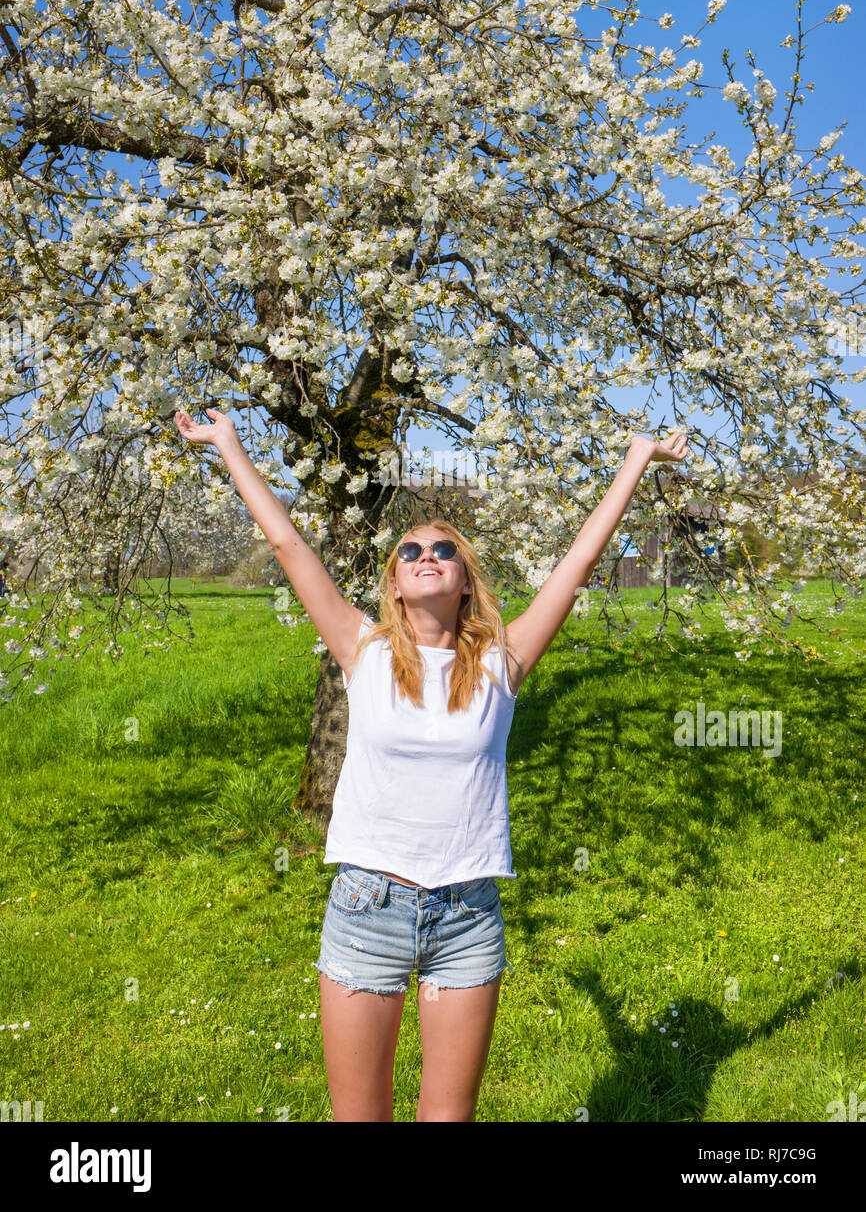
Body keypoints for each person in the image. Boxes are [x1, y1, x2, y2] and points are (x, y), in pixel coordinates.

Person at [174, 406, 688, 1121]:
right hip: (367, 908)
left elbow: (576, 568)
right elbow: (289, 544)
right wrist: (227, 444)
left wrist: (636, 459)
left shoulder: (502, 666)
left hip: (467, 915)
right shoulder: (364, 651)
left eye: (441, 550)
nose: (424, 555)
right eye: (409, 550)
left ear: (465, 580)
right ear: (393, 584)